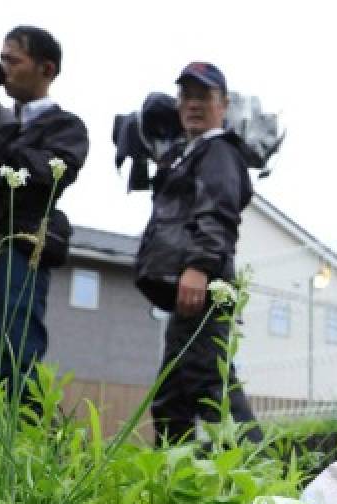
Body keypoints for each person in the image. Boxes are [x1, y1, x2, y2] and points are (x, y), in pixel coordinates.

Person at [0, 25, 89, 396]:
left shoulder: (66, 126)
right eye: (1, 58)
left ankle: (19, 443)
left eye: (13, 59)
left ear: (47, 69)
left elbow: (48, 176)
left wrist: (2, 139)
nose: (2, 66)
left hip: (15, 253)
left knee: (9, 354)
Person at [135, 61, 262, 446]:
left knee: (210, 383)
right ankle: (173, 478)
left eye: (203, 96)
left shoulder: (218, 151)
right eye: (186, 95)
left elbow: (218, 212)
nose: (192, 104)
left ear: (222, 105)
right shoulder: (187, 153)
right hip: (190, 292)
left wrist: (198, 267)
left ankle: (264, 479)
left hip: (203, 286)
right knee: (175, 393)